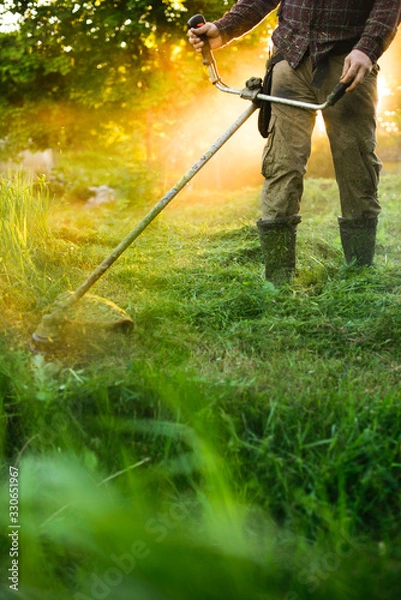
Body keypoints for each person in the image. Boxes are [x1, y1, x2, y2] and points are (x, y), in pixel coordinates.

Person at [188, 1, 401, 284]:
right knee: (282, 163)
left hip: (349, 61)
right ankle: (278, 281)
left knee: (357, 165)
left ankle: (360, 274)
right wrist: (223, 29)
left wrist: (367, 48)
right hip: (290, 59)